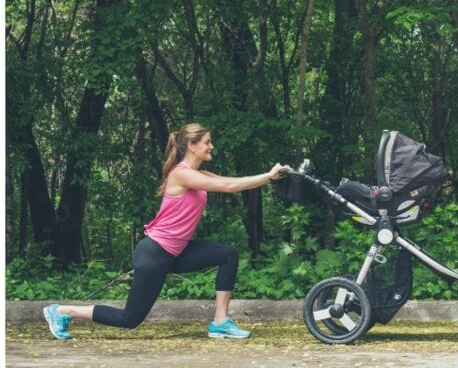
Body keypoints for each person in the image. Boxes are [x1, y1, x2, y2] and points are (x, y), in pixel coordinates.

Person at [43, 123, 291, 339]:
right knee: (129, 319)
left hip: (175, 252)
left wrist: (271, 176)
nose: (211, 146)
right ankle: (62, 311)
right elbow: (227, 186)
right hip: (155, 253)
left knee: (227, 254)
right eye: (207, 142)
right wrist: (268, 176)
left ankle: (220, 323)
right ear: (192, 146)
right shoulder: (181, 175)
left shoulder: (198, 174)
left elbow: (233, 181)